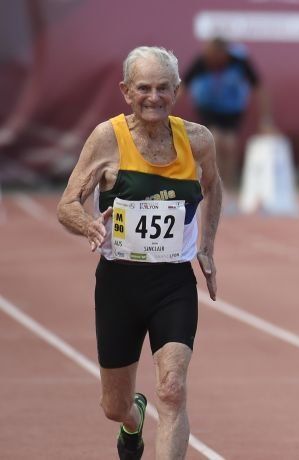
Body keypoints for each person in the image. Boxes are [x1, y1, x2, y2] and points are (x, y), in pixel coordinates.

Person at [57, 46, 221, 459]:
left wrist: (206, 247)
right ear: (126, 91)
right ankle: (134, 421)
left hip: (172, 282)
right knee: (115, 406)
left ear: (177, 91)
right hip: (119, 285)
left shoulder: (198, 140)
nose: (154, 97)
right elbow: (67, 204)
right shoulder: (107, 138)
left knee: (173, 388)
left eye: (163, 88)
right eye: (144, 88)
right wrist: (89, 225)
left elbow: (213, 186)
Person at [183, 37, 273, 189]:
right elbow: (182, 87)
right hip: (208, 108)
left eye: (216, 57)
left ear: (224, 53)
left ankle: (229, 185)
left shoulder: (239, 62)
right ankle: (213, 183)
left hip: (231, 110)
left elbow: (259, 88)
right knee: (215, 140)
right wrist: (167, 112)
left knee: (230, 145)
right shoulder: (202, 61)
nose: (213, 61)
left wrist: (266, 119)